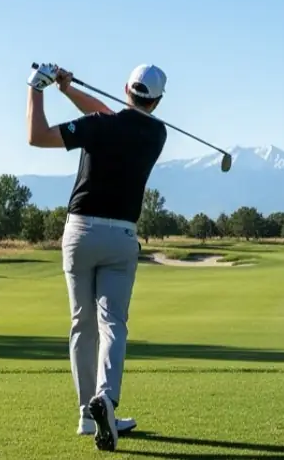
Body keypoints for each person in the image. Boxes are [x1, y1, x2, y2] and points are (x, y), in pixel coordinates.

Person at [25, 61, 168, 452]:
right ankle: (105, 399)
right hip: (122, 236)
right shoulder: (158, 134)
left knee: (81, 323)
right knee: (113, 325)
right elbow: (108, 115)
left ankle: (88, 417)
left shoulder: (97, 126)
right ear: (157, 101)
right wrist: (68, 90)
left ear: (126, 87)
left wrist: (37, 88)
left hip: (81, 232)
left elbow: (36, 136)